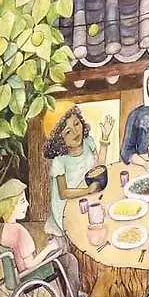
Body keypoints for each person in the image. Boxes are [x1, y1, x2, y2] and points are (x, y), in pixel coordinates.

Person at [0, 179, 86, 297]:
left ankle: (68, 296)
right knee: (69, 260)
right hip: (30, 274)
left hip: (18, 272)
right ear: (10, 206)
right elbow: (30, 264)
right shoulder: (19, 231)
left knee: (60, 259)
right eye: (22, 201)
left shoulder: (6, 229)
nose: (28, 204)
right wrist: (49, 248)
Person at [42, 103, 112, 247]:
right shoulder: (59, 160)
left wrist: (104, 140)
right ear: (59, 139)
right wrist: (88, 190)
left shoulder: (88, 142)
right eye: (68, 132)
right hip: (67, 205)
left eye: (76, 124)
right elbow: (63, 193)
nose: (75, 132)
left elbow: (99, 167)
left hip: (87, 196)